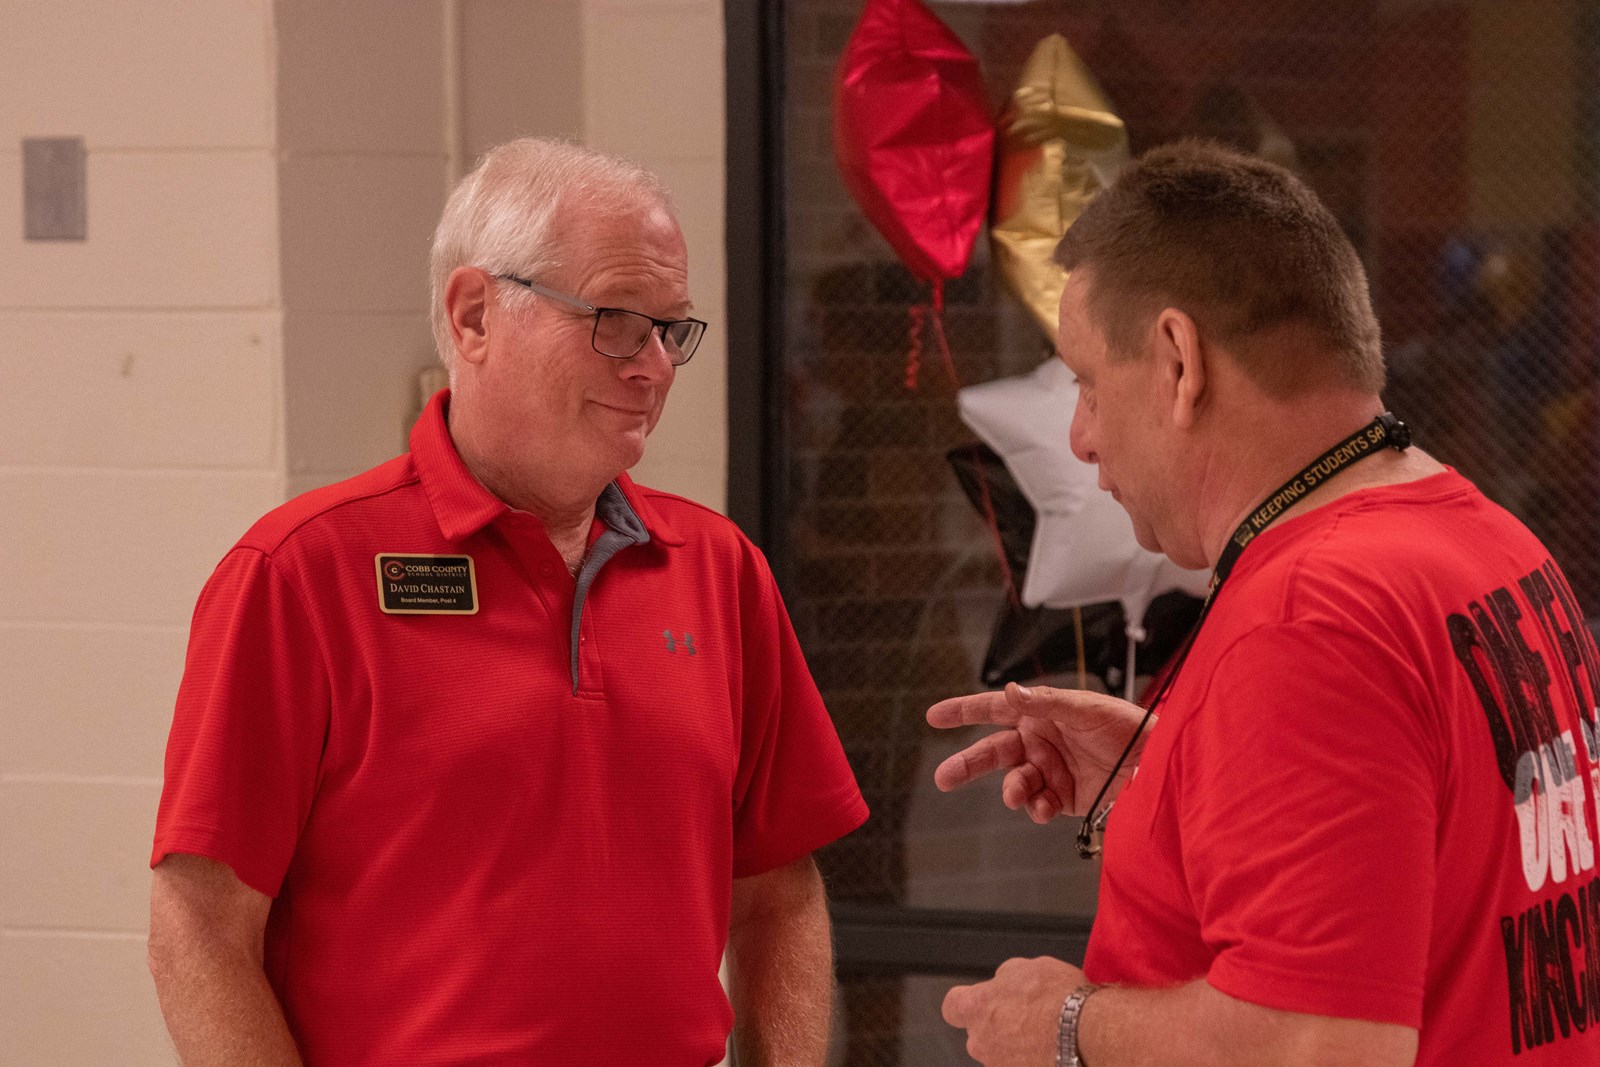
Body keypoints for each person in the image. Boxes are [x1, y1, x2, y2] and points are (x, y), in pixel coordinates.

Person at [147, 138, 868, 1066]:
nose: (652, 366)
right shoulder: (298, 574)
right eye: (615, 319)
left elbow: (779, 888)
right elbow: (197, 926)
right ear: (477, 313)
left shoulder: (721, 570)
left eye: (671, 328)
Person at [928, 141, 1600, 1066]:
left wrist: (1064, 1021)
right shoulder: (1490, 543)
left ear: (1177, 358)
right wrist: (1174, 783)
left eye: (1086, 382)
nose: (1079, 438)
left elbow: (1320, 1045)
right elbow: (1432, 859)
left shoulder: (1308, 619)